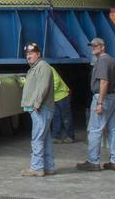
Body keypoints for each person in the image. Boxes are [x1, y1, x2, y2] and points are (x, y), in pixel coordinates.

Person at [77, 37, 115, 172]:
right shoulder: (111, 60)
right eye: (91, 45)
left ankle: (93, 161)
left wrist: (100, 102)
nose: (93, 47)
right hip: (113, 98)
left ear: (103, 47)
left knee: (95, 130)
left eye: (96, 45)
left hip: (104, 98)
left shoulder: (102, 60)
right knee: (113, 130)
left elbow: (104, 82)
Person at [20, 42, 55, 177]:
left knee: (37, 138)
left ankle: (37, 167)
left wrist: (37, 103)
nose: (28, 56)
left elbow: (43, 87)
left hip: (41, 108)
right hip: (40, 108)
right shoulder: (35, 68)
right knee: (44, 138)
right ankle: (49, 167)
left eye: (31, 53)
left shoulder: (43, 67)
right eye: (27, 54)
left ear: (38, 54)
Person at [51, 66, 75, 143]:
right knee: (55, 117)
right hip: (54, 98)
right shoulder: (36, 70)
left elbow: (56, 81)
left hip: (62, 95)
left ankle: (70, 136)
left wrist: (48, 93)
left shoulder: (48, 68)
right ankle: (56, 137)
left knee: (66, 117)